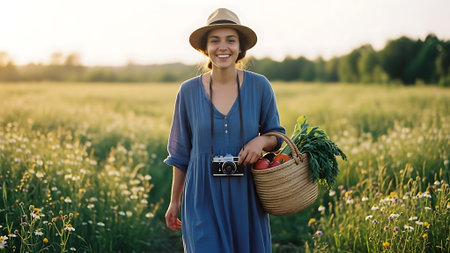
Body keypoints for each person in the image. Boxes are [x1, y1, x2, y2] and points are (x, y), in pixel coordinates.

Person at [164, 8, 285, 252]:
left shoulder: (260, 86)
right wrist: (174, 201)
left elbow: (276, 137)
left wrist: (260, 142)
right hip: (201, 195)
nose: (223, 47)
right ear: (205, 48)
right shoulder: (187, 92)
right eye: (215, 40)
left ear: (241, 48)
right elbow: (180, 153)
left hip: (246, 195)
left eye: (231, 40)